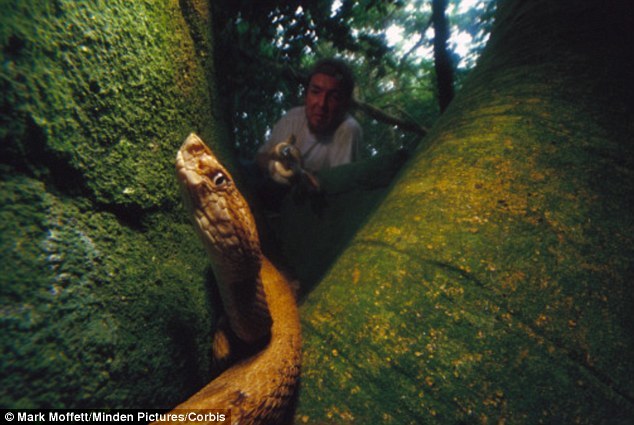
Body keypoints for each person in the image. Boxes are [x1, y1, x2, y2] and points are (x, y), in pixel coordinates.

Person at [256, 58, 363, 184]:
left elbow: (339, 186)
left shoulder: (347, 129)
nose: (322, 104)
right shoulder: (292, 118)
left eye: (334, 97)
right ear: (306, 95)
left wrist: (301, 176)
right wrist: (275, 166)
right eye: (316, 92)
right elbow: (260, 158)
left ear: (344, 104)